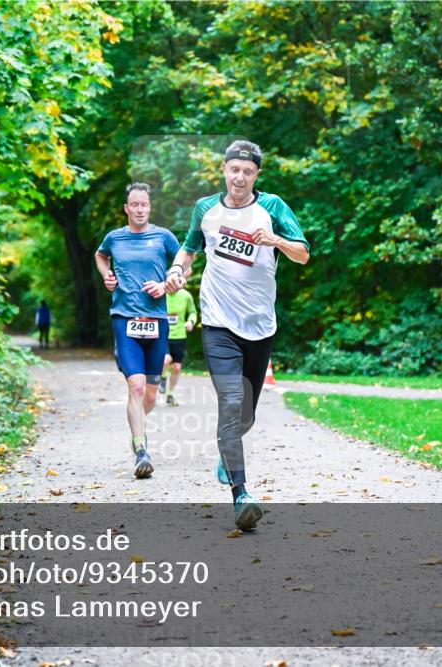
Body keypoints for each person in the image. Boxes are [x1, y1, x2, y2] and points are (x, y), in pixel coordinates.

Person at [165, 140, 310, 530]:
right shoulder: (205, 209)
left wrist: (275, 240)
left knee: (246, 413)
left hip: (260, 325)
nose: (239, 177)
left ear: (256, 175)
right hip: (217, 322)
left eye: (247, 171)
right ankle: (241, 494)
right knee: (231, 403)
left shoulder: (273, 208)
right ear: (224, 170)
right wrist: (177, 272)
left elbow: (303, 253)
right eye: (234, 170)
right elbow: (188, 250)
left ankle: (228, 454)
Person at [96, 182, 181, 479]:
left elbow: (184, 264)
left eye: (145, 204)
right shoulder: (114, 238)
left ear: (150, 207)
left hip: (156, 321)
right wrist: (107, 275)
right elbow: (100, 255)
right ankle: (141, 449)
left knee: (150, 397)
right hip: (124, 318)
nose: (140, 209)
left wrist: (170, 281)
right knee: (136, 386)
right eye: (135, 205)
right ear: (127, 208)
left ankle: (137, 426)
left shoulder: (163, 238)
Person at [158, 281, 197, 406]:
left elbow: (193, 312)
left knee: (177, 368)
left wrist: (191, 321)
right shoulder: (161, 294)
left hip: (180, 336)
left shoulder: (186, 296)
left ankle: (170, 393)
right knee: (166, 360)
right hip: (163, 334)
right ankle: (162, 379)